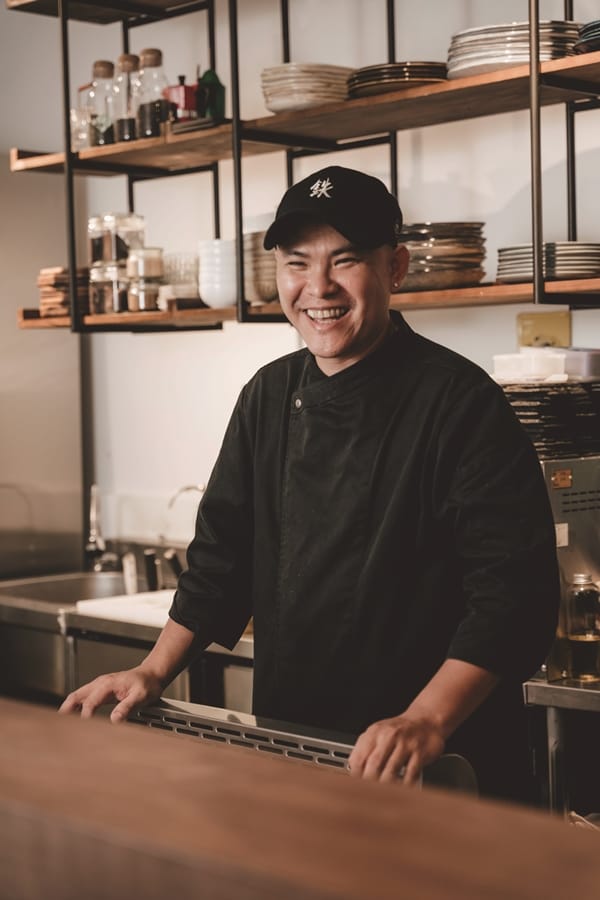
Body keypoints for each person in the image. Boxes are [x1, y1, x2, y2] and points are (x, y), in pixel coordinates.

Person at [60, 165, 560, 803]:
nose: (318, 287)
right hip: (297, 746)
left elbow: (512, 596)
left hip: (436, 761)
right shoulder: (267, 396)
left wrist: (426, 719)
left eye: (344, 261)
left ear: (395, 268)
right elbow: (219, 562)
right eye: (297, 263)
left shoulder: (461, 403)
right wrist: (152, 671)